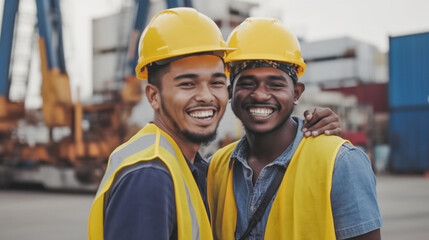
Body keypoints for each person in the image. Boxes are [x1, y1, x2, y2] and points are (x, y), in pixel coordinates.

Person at [88, 8, 341, 240]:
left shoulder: (195, 167)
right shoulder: (150, 175)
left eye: (217, 82)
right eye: (187, 83)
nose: (206, 96)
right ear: (154, 96)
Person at [207, 17, 382, 240]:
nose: (260, 94)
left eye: (276, 84)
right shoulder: (216, 168)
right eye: (247, 83)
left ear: (296, 93)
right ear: (231, 92)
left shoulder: (341, 163)